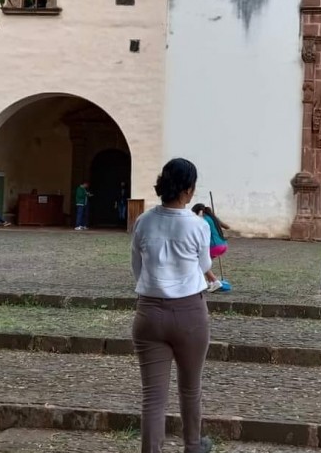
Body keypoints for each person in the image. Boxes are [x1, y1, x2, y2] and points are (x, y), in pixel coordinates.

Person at [131, 158, 214, 453]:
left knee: (153, 396)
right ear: (188, 190)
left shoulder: (143, 220)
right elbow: (204, 264)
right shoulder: (198, 224)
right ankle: (192, 445)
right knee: (190, 388)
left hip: (149, 311)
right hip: (190, 312)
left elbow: (136, 267)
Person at [191, 204, 231, 293]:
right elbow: (227, 227)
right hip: (223, 245)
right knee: (205, 264)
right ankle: (209, 282)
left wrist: (199, 216)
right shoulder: (213, 218)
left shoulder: (202, 219)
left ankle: (215, 281)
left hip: (213, 246)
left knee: (200, 262)